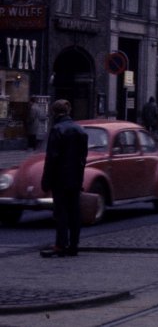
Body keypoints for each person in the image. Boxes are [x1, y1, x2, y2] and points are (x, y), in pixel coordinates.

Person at [40, 99, 88, 258]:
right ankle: (74, 245)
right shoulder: (80, 130)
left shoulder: (57, 130)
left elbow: (52, 158)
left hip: (60, 178)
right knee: (74, 212)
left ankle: (61, 244)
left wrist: (46, 181)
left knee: (61, 213)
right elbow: (83, 157)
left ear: (54, 113)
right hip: (75, 177)